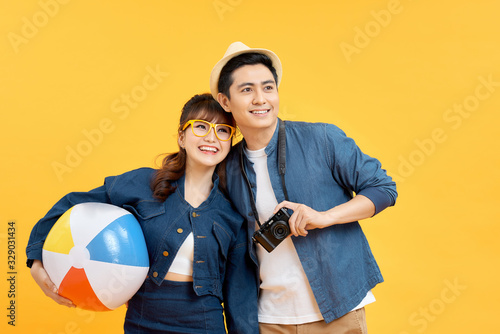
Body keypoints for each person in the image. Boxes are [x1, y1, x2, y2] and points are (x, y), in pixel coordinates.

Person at [26, 93, 259, 334]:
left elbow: (240, 297)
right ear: (181, 136)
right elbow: (71, 204)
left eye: (223, 131)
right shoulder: (142, 183)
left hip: (205, 325)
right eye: (200, 127)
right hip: (142, 323)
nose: (212, 137)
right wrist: (36, 261)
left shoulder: (233, 212)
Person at [210, 42, 398, 333]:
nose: (261, 99)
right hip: (268, 319)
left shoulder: (322, 139)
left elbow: (383, 189)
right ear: (225, 101)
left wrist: (327, 216)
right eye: (247, 90)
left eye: (268, 87)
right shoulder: (225, 167)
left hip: (338, 311)